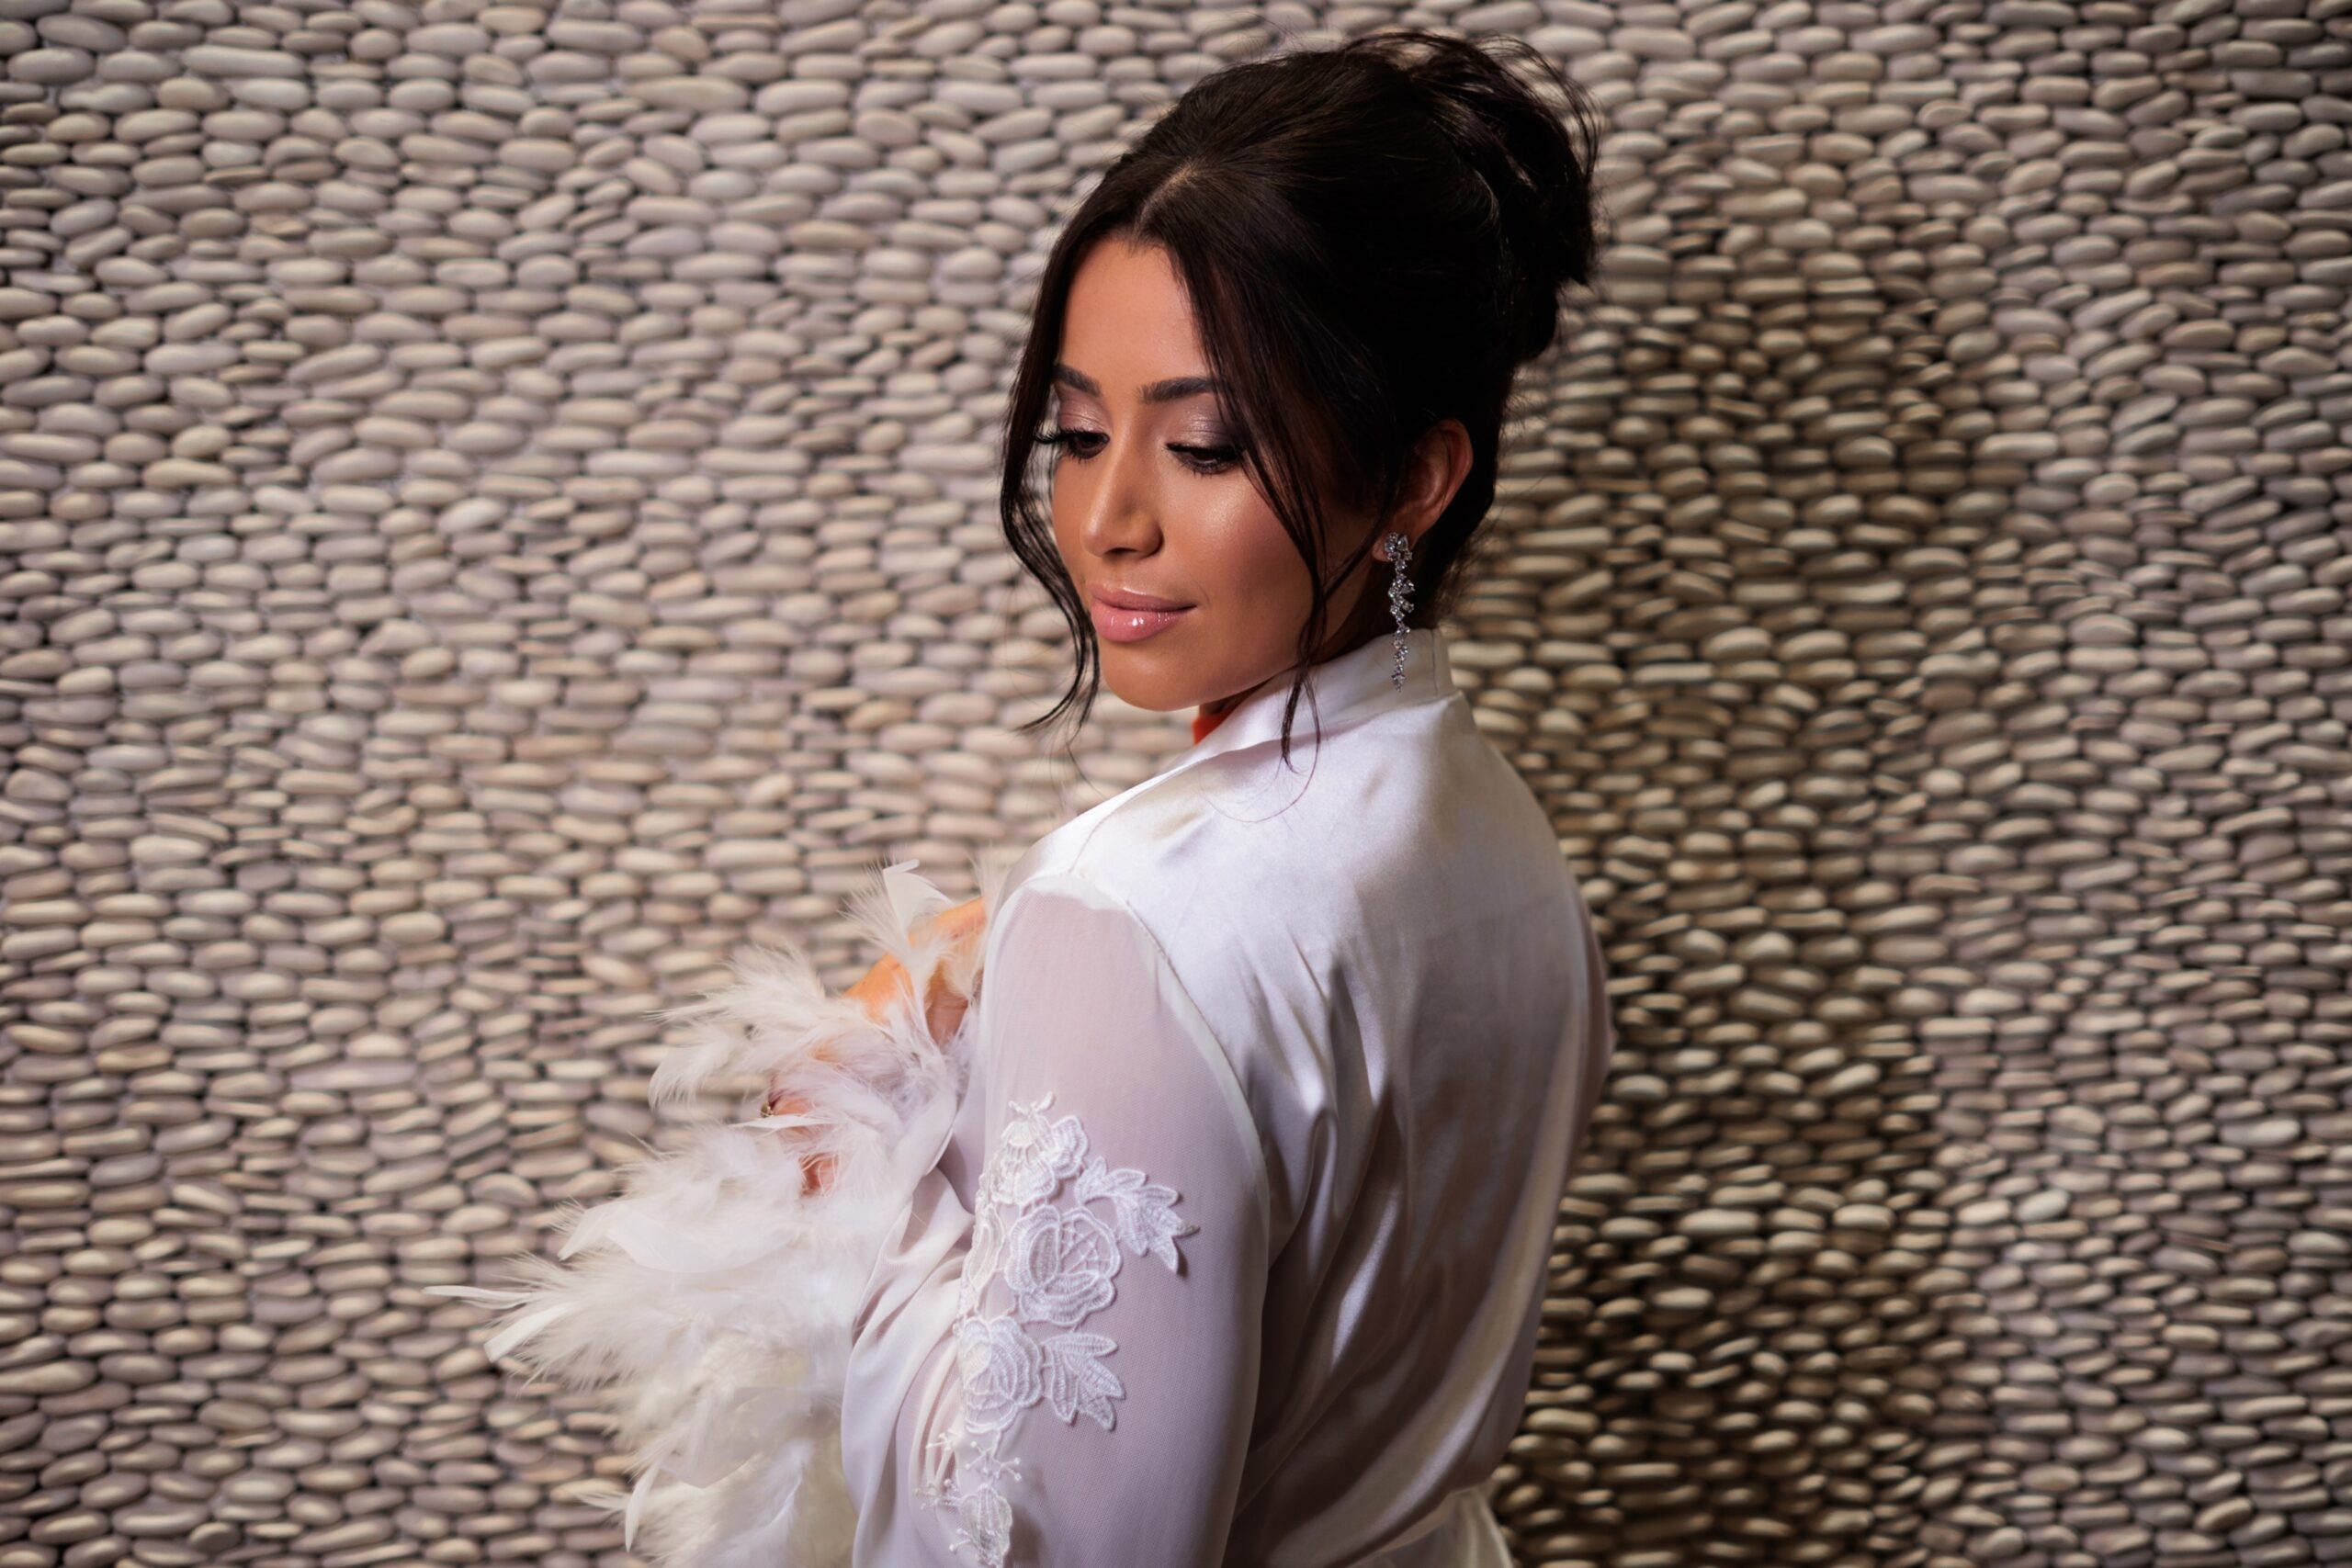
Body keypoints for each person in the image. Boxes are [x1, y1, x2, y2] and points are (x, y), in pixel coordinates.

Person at [429, 27, 1617, 1568]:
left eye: (1206, 445)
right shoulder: (1507, 841)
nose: (1107, 516)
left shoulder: (1128, 912)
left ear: (1411, 480)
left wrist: (856, 1121)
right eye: (1077, 432)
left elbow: (1038, 1542)